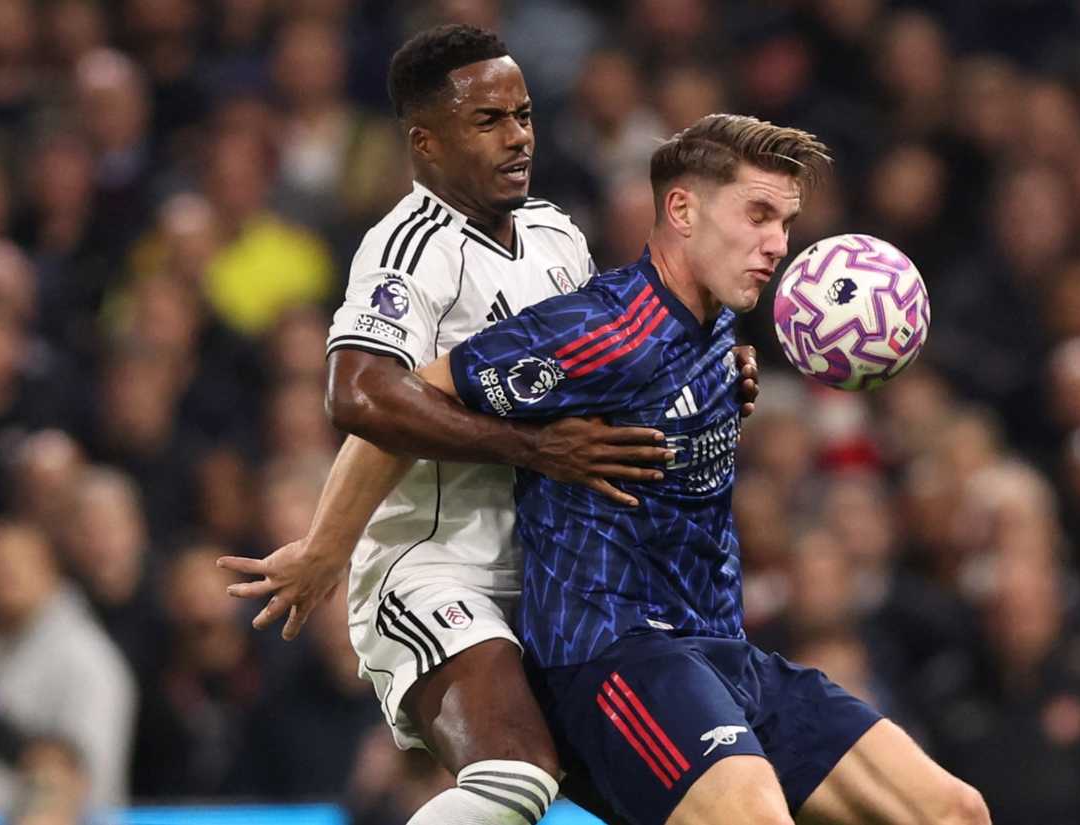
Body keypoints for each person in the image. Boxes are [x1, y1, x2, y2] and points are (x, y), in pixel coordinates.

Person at [220, 24, 757, 825]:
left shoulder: (554, 234)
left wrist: (708, 372)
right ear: (425, 141)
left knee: (690, 795)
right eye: (489, 121)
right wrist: (532, 449)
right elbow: (359, 396)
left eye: (525, 114)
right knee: (514, 775)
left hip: (553, 576)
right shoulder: (408, 248)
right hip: (429, 566)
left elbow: (611, 367)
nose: (518, 137)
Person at [412, 114, 989, 825]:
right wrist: (532, 448)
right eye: (758, 214)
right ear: (682, 209)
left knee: (954, 810)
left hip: (723, 651)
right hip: (613, 658)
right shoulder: (596, 328)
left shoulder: (718, 324)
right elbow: (407, 398)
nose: (778, 244)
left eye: (786, 221)